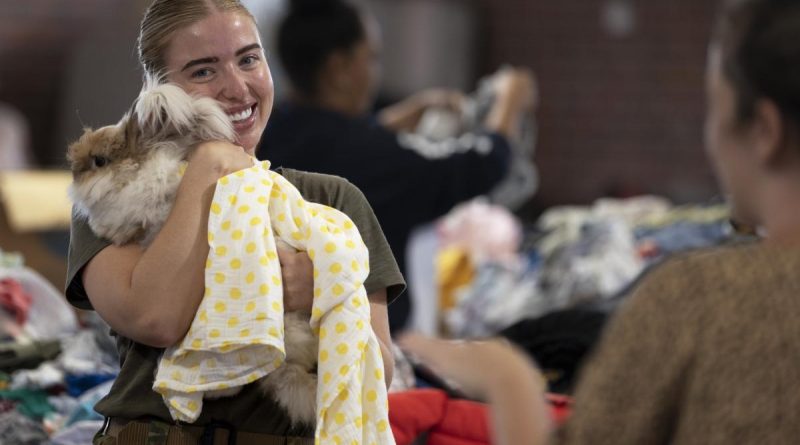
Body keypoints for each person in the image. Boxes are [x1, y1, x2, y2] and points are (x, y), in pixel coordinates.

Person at [401, 0, 800, 443]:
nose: (713, 139)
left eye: (715, 108)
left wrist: (505, 377)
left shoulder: (700, 301)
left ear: (765, 131)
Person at [64, 0, 404, 443]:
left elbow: (379, 370)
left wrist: (325, 289)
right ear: (162, 91)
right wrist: (208, 168)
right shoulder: (119, 193)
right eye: (203, 71)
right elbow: (155, 318)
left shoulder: (331, 201)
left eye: (248, 59)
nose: (237, 87)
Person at [257, 0, 535, 332]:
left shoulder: (272, 132)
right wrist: (509, 102)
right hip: (359, 343)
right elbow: (481, 166)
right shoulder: (375, 159)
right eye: (371, 58)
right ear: (339, 69)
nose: (375, 71)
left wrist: (403, 116)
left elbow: (341, 142)